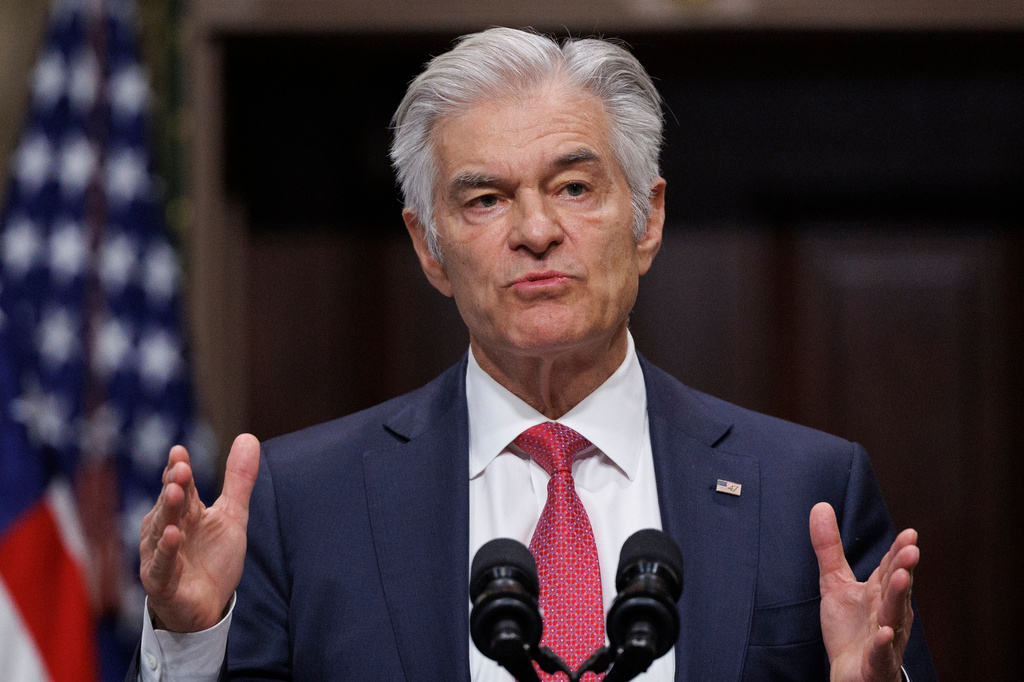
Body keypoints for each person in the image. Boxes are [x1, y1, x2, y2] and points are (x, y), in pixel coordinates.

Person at [133, 28, 936, 681]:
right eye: (485, 199)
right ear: (430, 248)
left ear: (647, 219)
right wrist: (191, 639)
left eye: (575, 188)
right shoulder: (304, 505)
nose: (537, 230)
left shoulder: (807, 492)